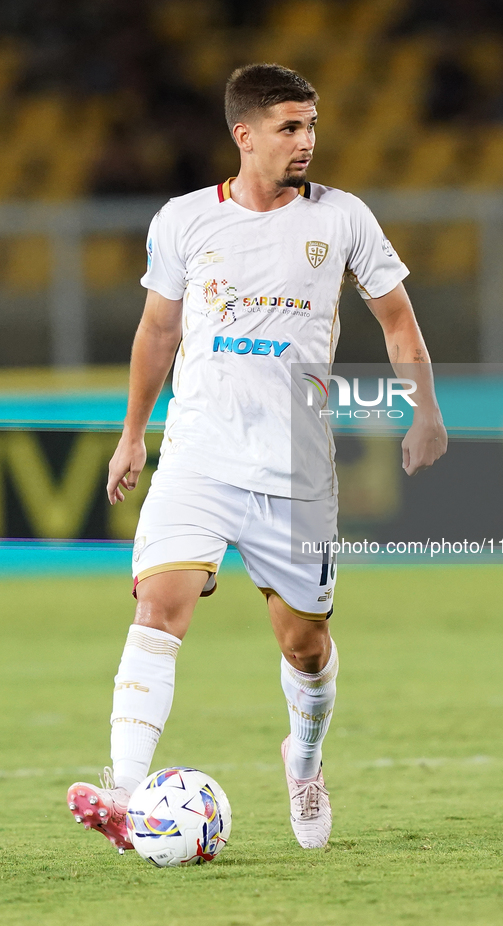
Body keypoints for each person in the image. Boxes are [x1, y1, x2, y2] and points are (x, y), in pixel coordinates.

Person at [67, 63, 447, 853]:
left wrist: (426, 413)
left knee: (304, 648)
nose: (305, 141)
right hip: (198, 458)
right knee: (158, 605)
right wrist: (133, 432)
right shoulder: (181, 221)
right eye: (288, 127)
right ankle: (124, 795)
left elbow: (398, 321)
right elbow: (158, 333)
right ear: (244, 136)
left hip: (294, 472)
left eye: (310, 126)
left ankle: (302, 760)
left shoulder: (342, 219)